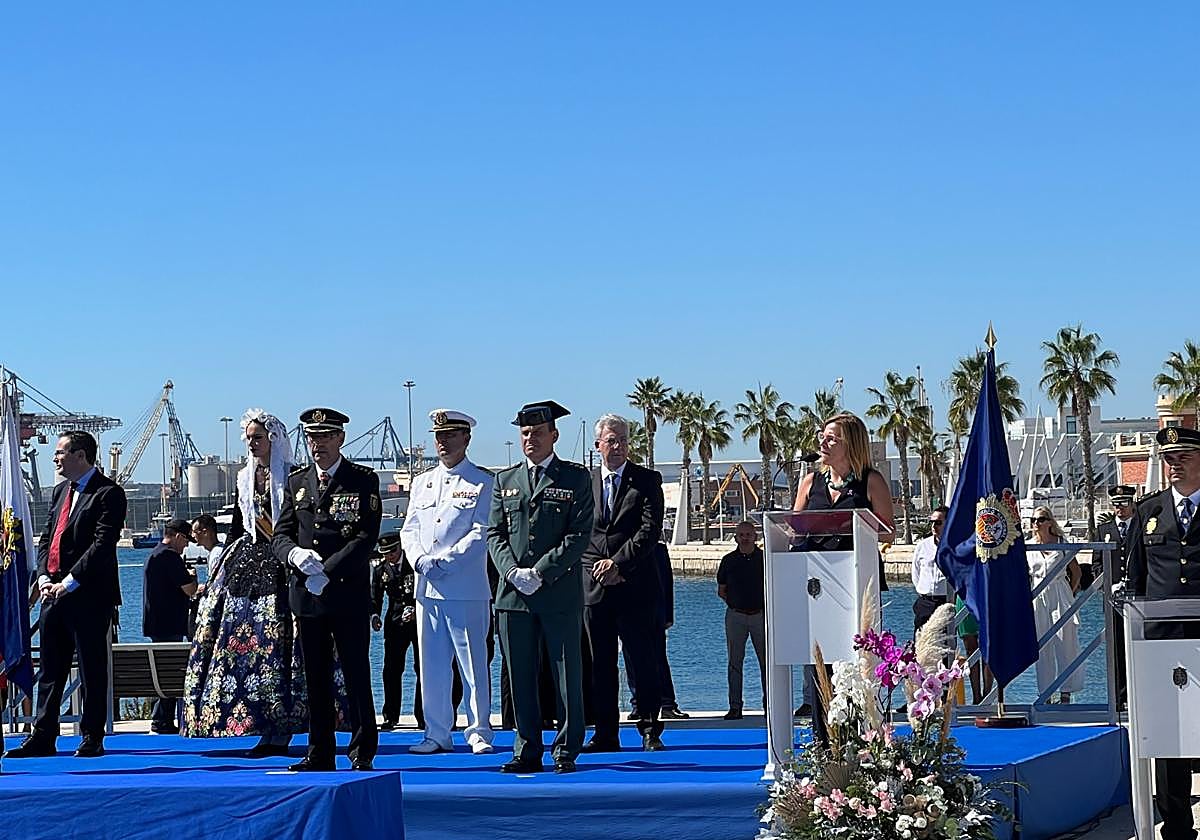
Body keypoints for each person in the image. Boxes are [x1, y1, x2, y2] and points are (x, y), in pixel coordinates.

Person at [183, 409, 309, 757]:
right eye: (249, 438)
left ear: (273, 438)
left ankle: (285, 727)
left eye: (258, 437)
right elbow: (240, 525)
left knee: (284, 647)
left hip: (285, 563)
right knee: (249, 649)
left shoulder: (295, 476)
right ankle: (260, 724)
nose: (252, 444)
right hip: (250, 566)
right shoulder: (243, 478)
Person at [487, 400, 594, 774]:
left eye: (537, 432)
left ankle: (565, 749)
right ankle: (526, 747)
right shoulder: (505, 480)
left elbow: (580, 534)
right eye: (525, 433)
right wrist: (512, 572)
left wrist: (542, 572)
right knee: (519, 675)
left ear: (554, 435)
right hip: (513, 596)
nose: (530, 438)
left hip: (558, 593)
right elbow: (494, 533)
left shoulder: (574, 478)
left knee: (567, 675)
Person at [274, 407, 382, 772]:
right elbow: (280, 535)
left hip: (346, 592)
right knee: (315, 677)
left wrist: (328, 572)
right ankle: (319, 751)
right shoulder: (297, 482)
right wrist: (295, 556)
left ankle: (362, 749)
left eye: (324, 436)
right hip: (307, 594)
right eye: (311, 437)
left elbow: (366, 537)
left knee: (355, 673)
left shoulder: (363, 480)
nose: (317, 444)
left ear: (340, 438)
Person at [7, 431, 127, 759]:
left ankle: (91, 736)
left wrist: (70, 582)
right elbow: (48, 538)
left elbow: (102, 545)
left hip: (88, 596)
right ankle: (43, 736)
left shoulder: (109, 494)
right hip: (53, 595)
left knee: (91, 667)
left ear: (81, 455)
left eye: (60, 452)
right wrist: (45, 577)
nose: (55, 458)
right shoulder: (60, 491)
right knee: (50, 668)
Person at [792, 412, 894, 742]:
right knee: (820, 666)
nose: (823, 442)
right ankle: (824, 743)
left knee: (856, 665)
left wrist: (856, 524)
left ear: (850, 442)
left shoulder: (871, 481)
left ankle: (861, 741)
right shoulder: (810, 482)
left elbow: (888, 531)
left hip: (857, 585)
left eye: (831, 438)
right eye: (822, 436)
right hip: (816, 587)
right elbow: (793, 529)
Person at [401, 409, 496, 755]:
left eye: (451, 435)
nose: (443, 442)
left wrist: (445, 561)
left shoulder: (483, 482)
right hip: (427, 587)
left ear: (466, 438)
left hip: (466, 587)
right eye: (439, 436)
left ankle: (479, 730)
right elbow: (410, 528)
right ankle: (437, 732)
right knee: (433, 665)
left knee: (472, 663)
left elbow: (481, 532)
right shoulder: (422, 482)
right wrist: (420, 560)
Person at [1126, 426, 1200, 840]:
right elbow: (1135, 580)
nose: (1174, 466)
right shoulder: (1148, 512)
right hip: (1162, 645)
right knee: (1168, 735)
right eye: (1169, 459)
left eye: (1184, 457)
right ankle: (1176, 825)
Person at [581, 414, 666, 752]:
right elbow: (580, 534)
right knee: (600, 664)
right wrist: (597, 569)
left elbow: (649, 530)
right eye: (610, 441)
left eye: (622, 441)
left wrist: (617, 565)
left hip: (635, 585)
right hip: (595, 587)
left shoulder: (646, 480)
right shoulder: (584, 483)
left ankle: (649, 729)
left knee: (642, 660)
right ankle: (605, 733)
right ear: (598, 445)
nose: (616, 447)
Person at [143, 518, 198, 734]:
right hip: (170, 624)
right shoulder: (169, 557)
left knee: (164, 669)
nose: (186, 546)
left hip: (157, 622)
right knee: (171, 671)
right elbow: (189, 590)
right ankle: (162, 719)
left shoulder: (155, 554)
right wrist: (193, 577)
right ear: (178, 536)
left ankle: (162, 717)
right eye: (186, 541)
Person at [1026, 505, 1084, 704]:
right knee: (1042, 647)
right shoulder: (1028, 546)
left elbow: (1076, 572)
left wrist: (1070, 593)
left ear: (1049, 522)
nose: (1036, 524)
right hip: (1038, 596)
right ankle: (1046, 693)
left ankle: (1066, 693)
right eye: (1033, 520)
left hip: (1059, 593)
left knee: (1065, 643)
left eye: (1040, 519)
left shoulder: (1061, 543)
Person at [629, 542, 689, 720]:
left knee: (659, 660)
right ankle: (637, 705)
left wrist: (668, 615)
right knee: (631, 660)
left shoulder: (659, 549)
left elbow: (667, 583)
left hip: (655, 614)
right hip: (628, 612)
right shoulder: (624, 549)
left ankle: (667, 704)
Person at [372, 532, 422, 730]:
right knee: (391, 670)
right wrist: (374, 616)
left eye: (392, 551)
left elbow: (424, 589)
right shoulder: (381, 570)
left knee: (422, 669)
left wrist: (415, 608)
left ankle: (423, 715)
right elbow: (375, 597)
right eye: (385, 553)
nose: (389, 556)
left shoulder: (413, 564)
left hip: (417, 622)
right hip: (394, 623)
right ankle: (390, 715)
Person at [717, 521, 766, 721]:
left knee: (766, 664)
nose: (745, 538)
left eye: (748, 534)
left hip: (760, 616)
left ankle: (769, 706)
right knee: (734, 663)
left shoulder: (764, 559)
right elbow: (721, 590)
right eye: (741, 535)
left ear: (755, 537)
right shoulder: (728, 560)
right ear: (736, 537)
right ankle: (735, 707)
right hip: (735, 615)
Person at [1095, 484, 1135, 708]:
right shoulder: (1105, 529)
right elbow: (1097, 562)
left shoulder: (1140, 526)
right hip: (1113, 599)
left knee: (1137, 645)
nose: (1120, 508)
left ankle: (1135, 693)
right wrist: (1106, 584)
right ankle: (1119, 698)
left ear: (1132, 504)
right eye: (1116, 504)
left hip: (1136, 598)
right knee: (1116, 648)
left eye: (1124, 504)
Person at [911, 506, 949, 637]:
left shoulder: (954, 547)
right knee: (920, 643)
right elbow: (915, 572)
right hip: (925, 602)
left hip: (946, 601)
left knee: (945, 644)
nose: (933, 526)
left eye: (938, 522)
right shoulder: (922, 546)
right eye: (931, 522)